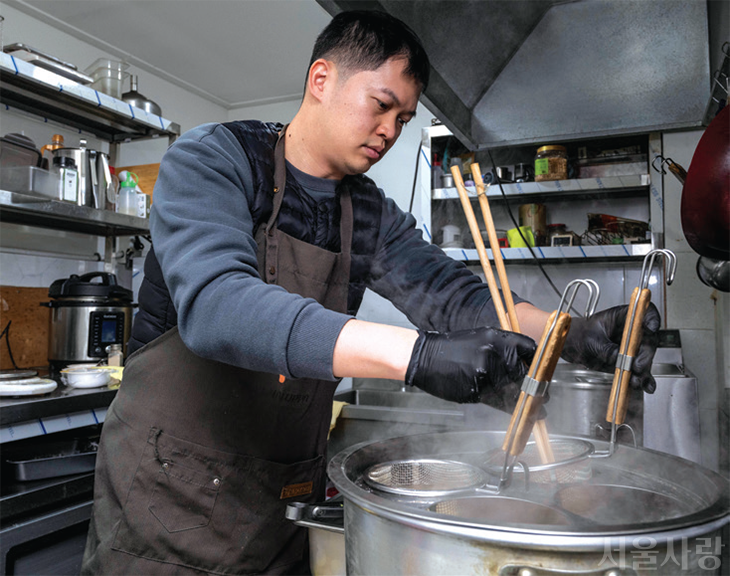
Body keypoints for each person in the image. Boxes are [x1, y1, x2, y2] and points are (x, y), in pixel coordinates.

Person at [81, 10, 659, 575]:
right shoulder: (214, 160)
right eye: (381, 105)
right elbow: (218, 307)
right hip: (167, 501)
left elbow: (453, 296)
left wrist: (566, 332)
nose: (389, 130)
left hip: (280, 504)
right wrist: (415, 356)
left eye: (404, 119)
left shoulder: (368, 213)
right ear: (322, 79)